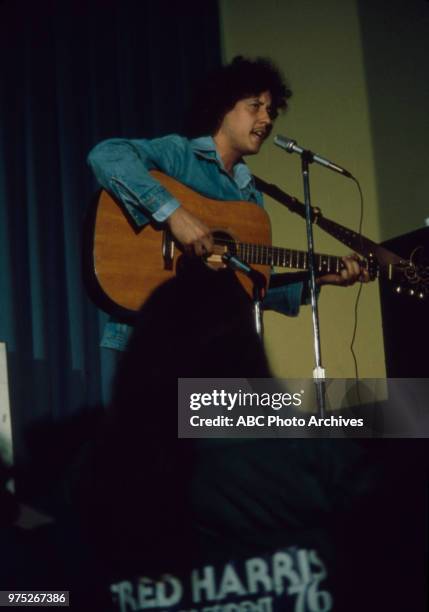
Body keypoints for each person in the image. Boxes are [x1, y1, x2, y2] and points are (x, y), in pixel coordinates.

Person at [87, 56, 368, 353]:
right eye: (255, 106)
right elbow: (106, 155)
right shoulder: (180, 154)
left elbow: (251, 288)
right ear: (224, 106)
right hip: (156, 339)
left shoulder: (250, 197)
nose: (268, 119)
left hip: (211, 345)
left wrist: (320, 276)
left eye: (271, 111)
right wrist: (175, 215)